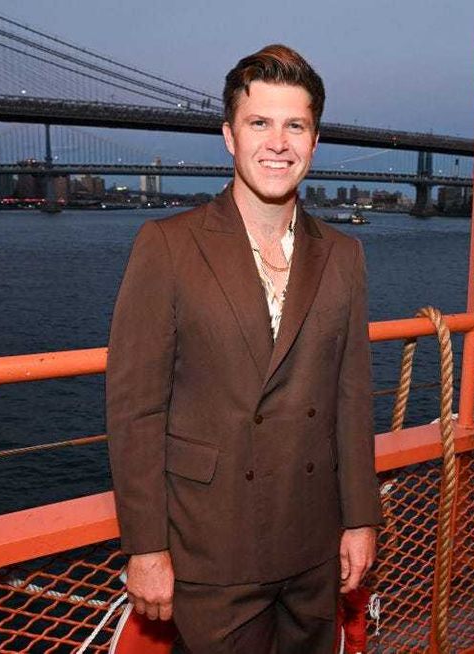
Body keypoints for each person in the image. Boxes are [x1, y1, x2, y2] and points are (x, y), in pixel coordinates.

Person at [106, 44, 382, 653]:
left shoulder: (344, 256)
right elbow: (135, 412)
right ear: (230, 136)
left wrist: (361, 518)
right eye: (260, 123)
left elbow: (352, 397)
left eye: (295, 125)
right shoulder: (167, 246)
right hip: (212, 544)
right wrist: (146, 548)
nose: (277, 142)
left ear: (314, 141)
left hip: (314, 545)